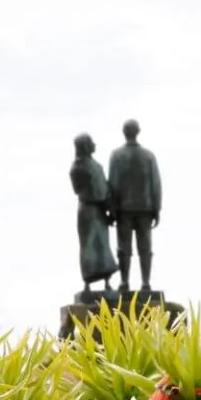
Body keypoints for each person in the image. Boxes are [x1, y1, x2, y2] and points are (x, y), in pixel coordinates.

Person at [105, 119, 162, 291]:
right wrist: (157, 208)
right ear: (138, 131)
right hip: (145, 208)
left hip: (124, 209)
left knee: (124, 249)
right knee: (145, 248)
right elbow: (156, 184)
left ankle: (124, 282)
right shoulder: (149, 156)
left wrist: (112, 208)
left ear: (124, 132)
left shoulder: (116, 156)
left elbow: (112, 183)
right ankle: (145, 282)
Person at [70, 133, 117, 292]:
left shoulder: (96, 166)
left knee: (103, 245)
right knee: (88, 246)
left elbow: (104, 188)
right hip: (89, 210)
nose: (94, 145)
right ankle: (88, 281)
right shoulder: (78, 168)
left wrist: (109, 207)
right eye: (91, 143)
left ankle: (106, 281)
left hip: (99, 211)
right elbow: (82, 190)